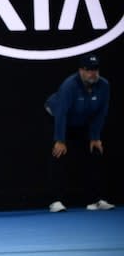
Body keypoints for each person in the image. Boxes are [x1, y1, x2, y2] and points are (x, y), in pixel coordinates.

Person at [44, 53, 115, 213]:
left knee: (95, 152)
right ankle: (56, 201)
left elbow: (101, 112)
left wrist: (95, 137)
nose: (92, 73)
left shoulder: (104, 85)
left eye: (95, 69)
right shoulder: (69, 85)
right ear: (80, 70)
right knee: (59, 154)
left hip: (82, 120)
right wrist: (60, 140)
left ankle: (95, 200)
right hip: (58, 117)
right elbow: (62, 113)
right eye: (88, 70)